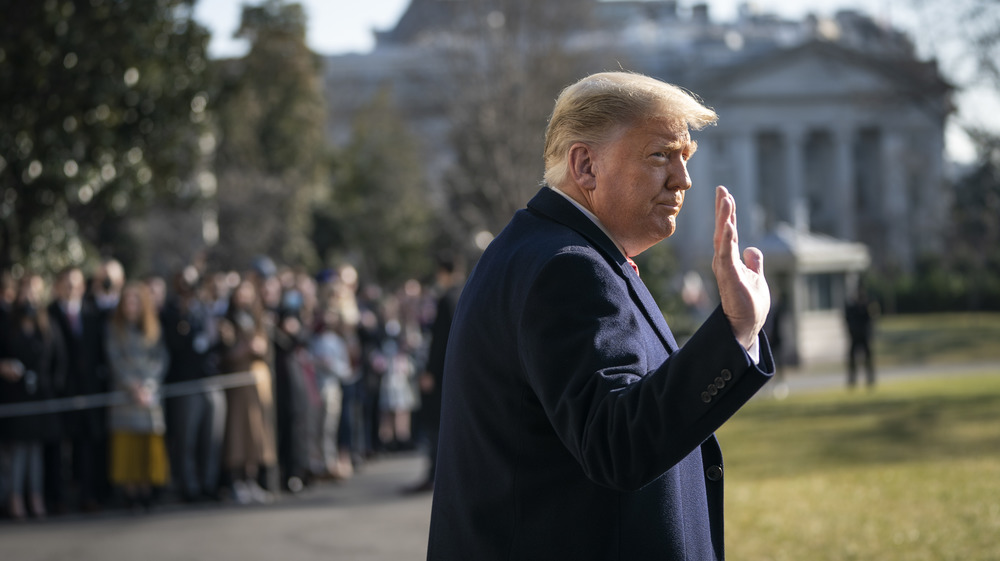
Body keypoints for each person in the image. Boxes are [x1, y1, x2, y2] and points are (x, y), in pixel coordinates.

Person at [426, 72, 774, 560]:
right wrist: (735, 330)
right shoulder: (567, 267)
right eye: (660, 155)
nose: (684, 178)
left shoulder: (548, 251)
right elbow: (617, 444)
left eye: (685, 157)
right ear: (585, 165)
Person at [0, 274, 65, 520]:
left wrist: (51, 386)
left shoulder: (47, 323)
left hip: (40, 396)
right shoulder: (7, 323)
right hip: (14, 397)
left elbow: (59, 359)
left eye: (35, 291)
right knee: (17, 451)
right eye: (26, 291)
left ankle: (35, 497)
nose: (30, 296)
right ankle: (15, 499)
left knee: (36, 451)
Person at [104, 281, 171, 511]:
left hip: (149, 397)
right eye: (127, 300)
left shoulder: (154, 327)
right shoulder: (114, 328)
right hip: (125, 397)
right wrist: (132, 386)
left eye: (135, 300)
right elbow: (115, 360)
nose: (131, 305)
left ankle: (146, 490)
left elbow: (161, 358)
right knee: (127, 447)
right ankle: (130, 493)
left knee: (148, 446)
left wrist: (149, 385)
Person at [406, 252, 462, 494]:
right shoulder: (466, 292)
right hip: (458, 370)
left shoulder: (446, 299)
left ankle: (434, 473)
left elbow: (440, 340)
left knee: (435, 424)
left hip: (440, 373)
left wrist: (429, 371)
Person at [845, 284, 876, 389]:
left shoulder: (867, 305)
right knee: (852, 359)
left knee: (868, 358)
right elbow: (847, 320)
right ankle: (852, 380)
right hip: (854, 336)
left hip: (865, 336)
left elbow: (872, 319)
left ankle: (870, 379)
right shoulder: (851, 307)